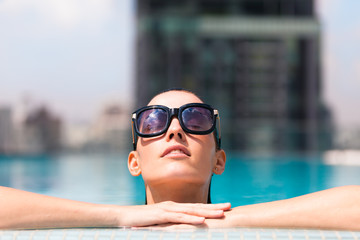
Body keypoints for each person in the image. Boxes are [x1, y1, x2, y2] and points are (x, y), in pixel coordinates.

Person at [1, 88, 360, 230]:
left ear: (219, 161)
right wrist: (119, 215)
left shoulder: (244, 226)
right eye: (154, 121)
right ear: (134, 161)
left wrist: (220, 221)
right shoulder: (112, 224)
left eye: (196, 119)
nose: (175, 131)